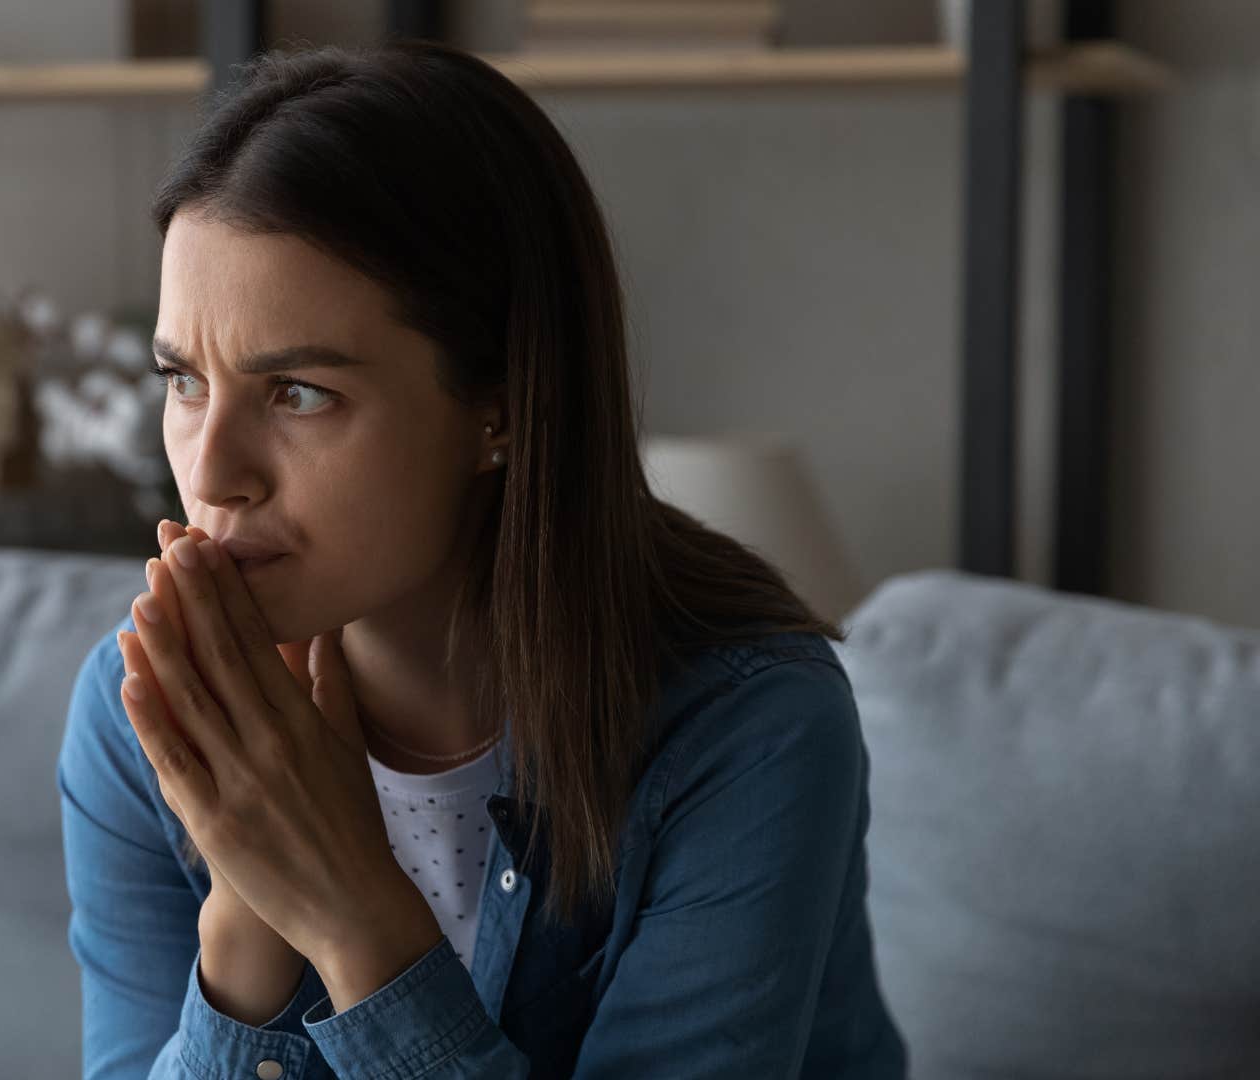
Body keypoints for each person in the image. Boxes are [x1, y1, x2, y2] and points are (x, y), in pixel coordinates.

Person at [56, 38, 908, 1080]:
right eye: (183, 381)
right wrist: (245, 927)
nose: (212, 470)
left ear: (498, 409)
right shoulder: (139, 710)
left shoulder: (746, 726)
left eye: (299, 393)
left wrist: (353, 918)